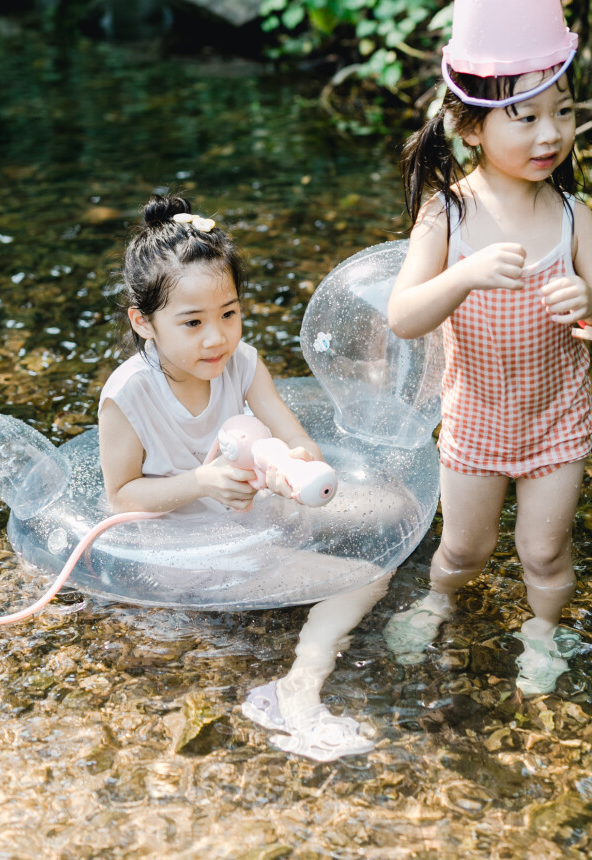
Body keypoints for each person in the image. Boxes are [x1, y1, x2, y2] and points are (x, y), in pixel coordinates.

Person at [383, 0, 592, 694]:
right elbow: (403, 317)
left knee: (544, 552)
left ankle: (543, 634)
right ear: (468, 125)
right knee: (463, 548)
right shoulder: (448, 216)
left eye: (562, 110)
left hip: (556, 420)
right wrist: (461, 274)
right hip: (475, 421)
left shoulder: (570, 217)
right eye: (524, 116)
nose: (549, 132)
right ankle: (438, 601)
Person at [98, 192, 384, 759]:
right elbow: (118, 497)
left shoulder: (244, 363)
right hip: (184, 545)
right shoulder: (129, 394)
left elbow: (298, 438)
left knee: (393, 508)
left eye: (229, 313)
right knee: (366, 578)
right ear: (144, 321)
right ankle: (295, 692)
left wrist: (288, 466)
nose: (216, 338)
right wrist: (203, 482)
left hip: (253, 515)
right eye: (192, 322)